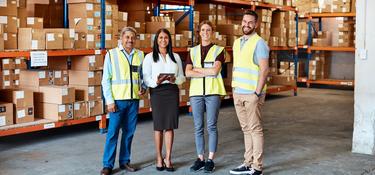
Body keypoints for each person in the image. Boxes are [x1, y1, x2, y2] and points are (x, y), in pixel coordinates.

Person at [229, 10, 269, 175]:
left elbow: (264, 70)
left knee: (255, 129)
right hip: (238, 92)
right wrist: (233, 89)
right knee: (246, 129)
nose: (246, 25)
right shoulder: (237, 43)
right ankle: (247, 162)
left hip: (252, 93)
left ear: (256, 24)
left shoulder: (259, 43)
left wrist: (257, 93)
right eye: (244, 21)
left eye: (250, 22)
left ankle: (257, 166)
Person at [101, 27, 145, 175]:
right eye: (127, 37)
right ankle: (108, 165)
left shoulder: (140, 55)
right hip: (117, 101)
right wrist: (109, 101)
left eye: (133, 37)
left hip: (133, 100)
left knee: (129, 132)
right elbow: (105, 80)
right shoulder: (111, 55)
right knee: (112, 133)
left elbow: (143, 77)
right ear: (121, 38)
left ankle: (125, 161)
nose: (130, 40)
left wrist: (143, 88)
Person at [185, 20, 226, 173]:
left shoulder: (219, 50)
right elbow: (187, 73)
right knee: (198, 127)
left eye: (208, 30)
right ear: (199, 32)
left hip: (212, 92)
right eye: (203, 30)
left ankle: (210, 159)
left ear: (212, 32)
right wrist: (204, 70)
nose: (206, 32)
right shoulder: (193, 51)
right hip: (196, 93)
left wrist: (197, 69)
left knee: (211, 126)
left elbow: (215, 72)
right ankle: (200, 158)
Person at [142, 28, 185, 172]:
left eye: (166, 38)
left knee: (170, 126)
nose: (163, 40)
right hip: (158, 92)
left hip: (172, 91)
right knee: (159, 126)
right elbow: (146, 77)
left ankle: (168, 158)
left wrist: (175, 79)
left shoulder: (176, 57)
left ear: (169, 40)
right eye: (160, 38)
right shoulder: (149, 57)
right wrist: (157, 81)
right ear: (156, 40)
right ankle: (159, 158)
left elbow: (182, 77)